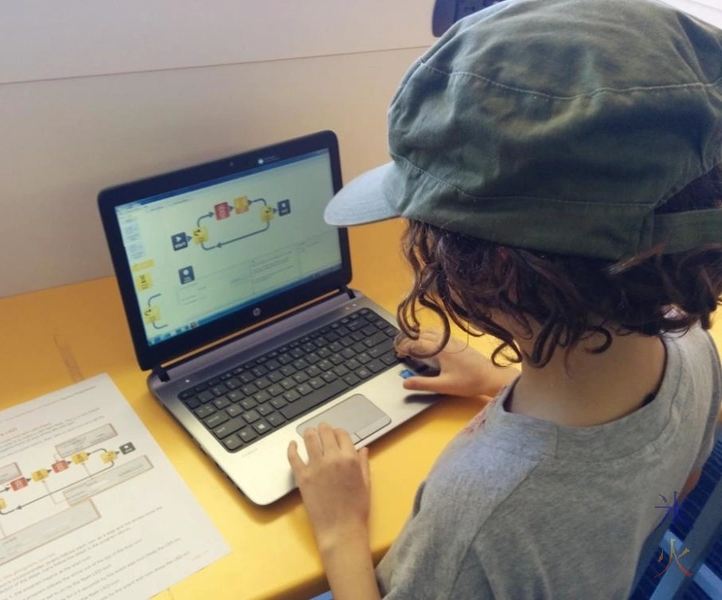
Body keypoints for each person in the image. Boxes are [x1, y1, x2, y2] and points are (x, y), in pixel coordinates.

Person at [285, 0, 722, 598]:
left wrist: (339, 530)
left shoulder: (477, 520)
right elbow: (669, 485)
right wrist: (498, 381)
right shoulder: (691, 342)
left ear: (490, 271)